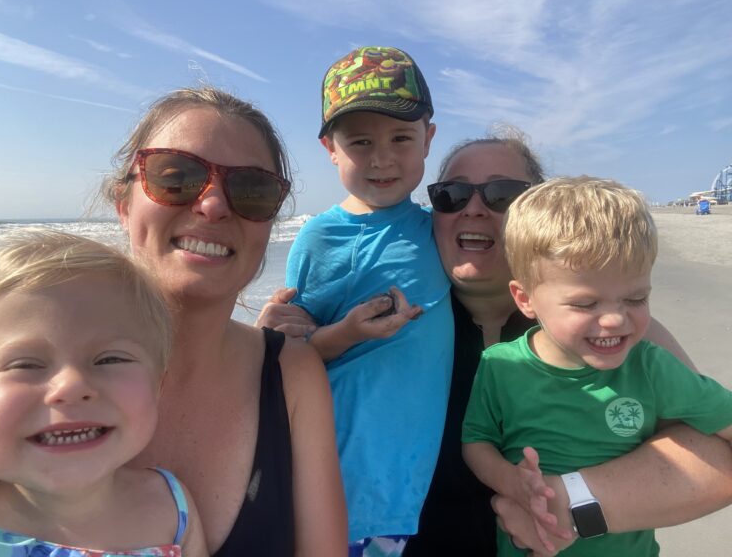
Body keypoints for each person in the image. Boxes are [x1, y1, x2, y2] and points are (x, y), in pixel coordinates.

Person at [404, 131, 732, 556]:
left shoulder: (617, 338)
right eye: (451, 193)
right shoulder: (393, 327)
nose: (473, 208)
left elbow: (715, 461)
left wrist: (570, 505)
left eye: (502, 193)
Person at [99, 87, 347, 556]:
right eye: (175, 176)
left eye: (252, 189)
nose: (213, 205)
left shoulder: (290, 375)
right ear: (124, 204)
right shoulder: (26, 364)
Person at [282, 45, 453, 555]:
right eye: (360, 142)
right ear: (329, 149)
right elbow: (292, 351)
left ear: (429, 137)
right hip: (340, 472)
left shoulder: (440, 230)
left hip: (409, 478)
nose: (382, 158)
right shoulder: (319, 239)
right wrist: (347, 333)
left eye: (401, 137)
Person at [0, 228, 207, 556]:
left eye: (110, 359)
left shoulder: (171, 505)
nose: (71, 385)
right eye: (25, 364)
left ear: (157, 386)